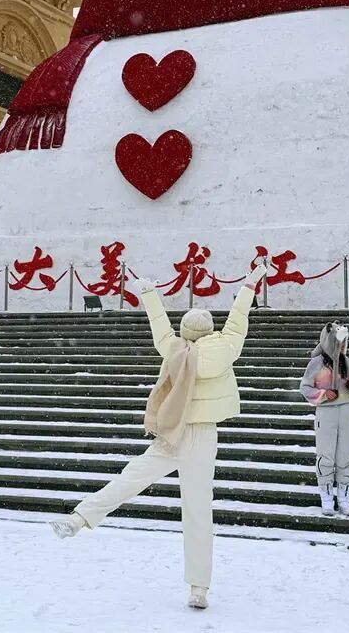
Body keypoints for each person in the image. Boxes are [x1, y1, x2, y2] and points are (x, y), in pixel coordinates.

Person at [50, 260, 268, 611]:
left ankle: (80, 518)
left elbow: (160, 327)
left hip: (172, 433)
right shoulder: (226, 348)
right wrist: (250, 283)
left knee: (131, 477)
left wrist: (149, 293)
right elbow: (239, 316)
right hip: (203, 437)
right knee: (198, 511)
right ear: (210, 330)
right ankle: (199, 588)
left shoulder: (175, 351)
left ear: (186, 331)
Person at [299, 322, 349, 516]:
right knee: (325, 457)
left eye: (345, 342)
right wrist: (323, 395)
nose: (343, 346)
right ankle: (327, 498)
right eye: (340, 342)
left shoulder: (346, 362)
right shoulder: (317, 363)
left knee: (346, 456)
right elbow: (305, 388)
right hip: (326, 413)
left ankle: (344, 499)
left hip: (347, 411)